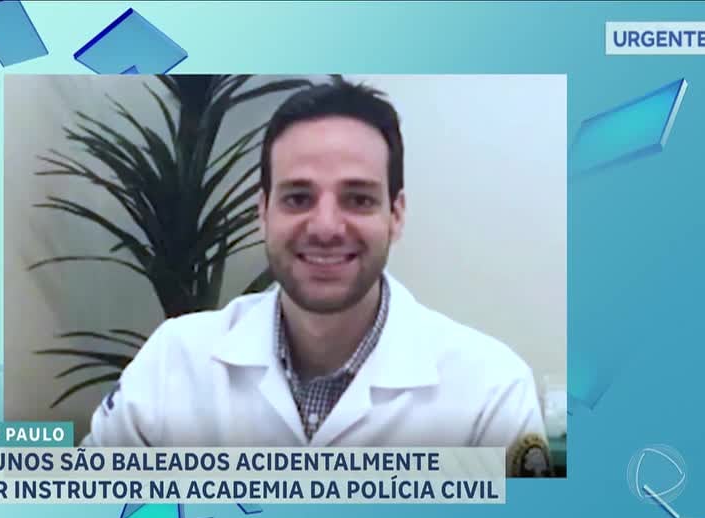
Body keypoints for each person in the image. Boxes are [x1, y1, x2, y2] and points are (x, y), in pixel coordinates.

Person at [83, 78, 552, 477]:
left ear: (396, 215)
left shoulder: (490, 390)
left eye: (358, 199)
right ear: (263, 212)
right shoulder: (173, 361)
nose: (326, 227)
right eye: (298, 198)